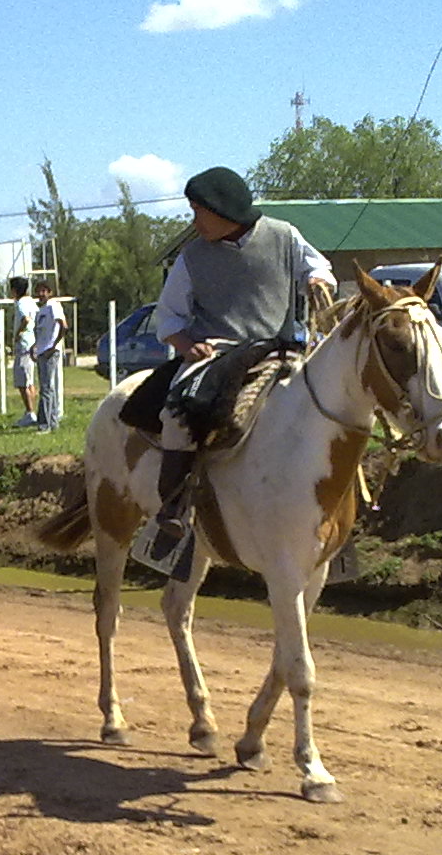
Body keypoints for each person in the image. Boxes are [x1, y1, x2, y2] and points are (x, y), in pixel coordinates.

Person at [137, 166, 336, 571]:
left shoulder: (284, 236)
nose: (194, 221)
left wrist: (316, 282)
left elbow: (319, 267)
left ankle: (334, 516)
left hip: (280, 351)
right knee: (177, 412)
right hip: (217, 354)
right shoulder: (191, 257)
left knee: (327, 406)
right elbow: (169, 318)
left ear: (221, 209)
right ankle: (174, 509)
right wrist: (187, 345)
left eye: (198, 211)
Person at [29, 285, 71, 430]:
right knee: (47, 388)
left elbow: (63, 326)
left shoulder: (54, 306)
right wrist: (35, 346)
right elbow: (42, 332)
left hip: (50, 352)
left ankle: (44, 424)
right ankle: (52, 422)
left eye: (44, 291)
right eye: (38, 291)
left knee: (46, 389)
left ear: (49, 292)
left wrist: (53, 346)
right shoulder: (41, 310)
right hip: (41, 351)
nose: (40, 294)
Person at [5, 277, 37, 426]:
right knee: (30, 380)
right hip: (33, 344)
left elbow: (26, 319)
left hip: (24, 345)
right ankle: (31, 411)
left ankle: (30, 412)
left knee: (22, 382)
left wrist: (18, 333)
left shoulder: (21, 304)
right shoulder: (32, 302)